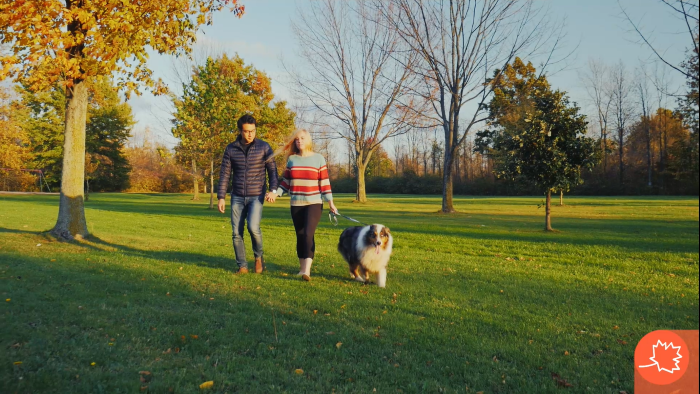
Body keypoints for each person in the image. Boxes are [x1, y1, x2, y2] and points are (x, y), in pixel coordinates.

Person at [266, 129, 338, 281]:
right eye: (297, 139)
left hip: (314, 203)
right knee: (300, 235)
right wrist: (275, 193)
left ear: (309, 140)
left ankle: (307, 271)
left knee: (307, 234)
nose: (299, 141)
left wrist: (331, 202)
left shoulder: (319, 159)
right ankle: (301, 269)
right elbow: (286, 182)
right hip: (296, 203)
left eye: (302, 138)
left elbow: (324, 182)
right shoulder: (292, 160)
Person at [217, 114, 278, 274]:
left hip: (256, 195)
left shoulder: (264, 147)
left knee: (253, 227)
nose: (250, 134)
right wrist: (221, 197)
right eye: (246, 131)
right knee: (236, 232)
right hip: (237, 196)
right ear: (240, 131)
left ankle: (258, 257)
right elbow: (225, 174)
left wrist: (273, 190)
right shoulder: (231, 149)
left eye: (253, 130)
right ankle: (242, 266)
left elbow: (272, 170)